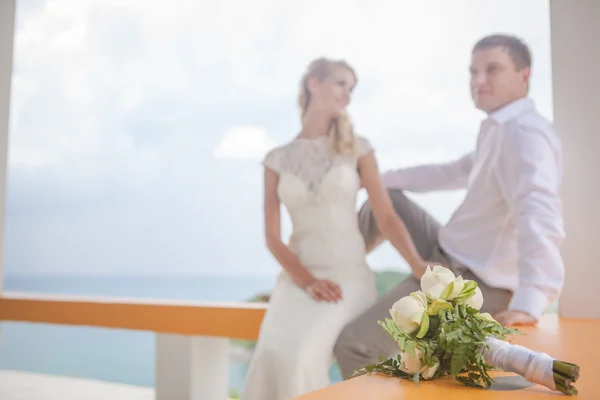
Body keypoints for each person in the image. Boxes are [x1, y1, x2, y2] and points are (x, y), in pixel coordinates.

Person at [334, 33, 566, 379]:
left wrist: (529, 302)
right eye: (473, 72)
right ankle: (332, 271)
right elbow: (453, 171)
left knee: (355, 345)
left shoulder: (525, 135)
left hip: (472, 280)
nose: (479, 81)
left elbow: (540, 213)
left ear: (524, 75)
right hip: (446, 249)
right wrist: (368, 176)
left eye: (492, 70)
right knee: (386, 197)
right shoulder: (499, 127)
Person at [241, 58, 431, 400]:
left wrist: (416, 264)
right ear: (313, 83)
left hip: (346, 279)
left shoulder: (358, 148)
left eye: (351, 88)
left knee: (300, 357)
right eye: (341, 83)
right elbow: (272, 237)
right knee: (272, 356)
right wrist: (307, 280)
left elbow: (385, 217)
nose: (347, 94)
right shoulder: (275, 160)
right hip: (298, 282)